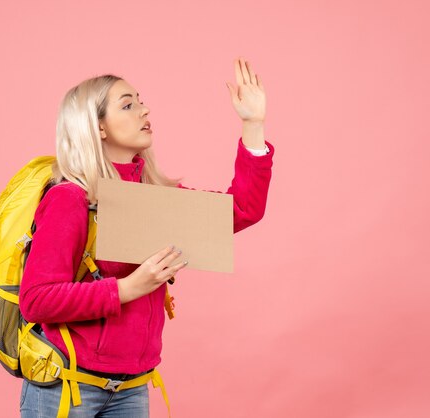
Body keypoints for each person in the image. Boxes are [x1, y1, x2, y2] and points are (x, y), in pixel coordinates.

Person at [18, 57, 275, 417]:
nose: (144, 109)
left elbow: (243, 210)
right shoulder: (70, 197)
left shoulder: (153, 194)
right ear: (99, 127)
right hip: (67, 386)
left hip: (131, 387)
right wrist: (127, 288)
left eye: (140, 101)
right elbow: (36, 301)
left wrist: (253, 124)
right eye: (128, 104)